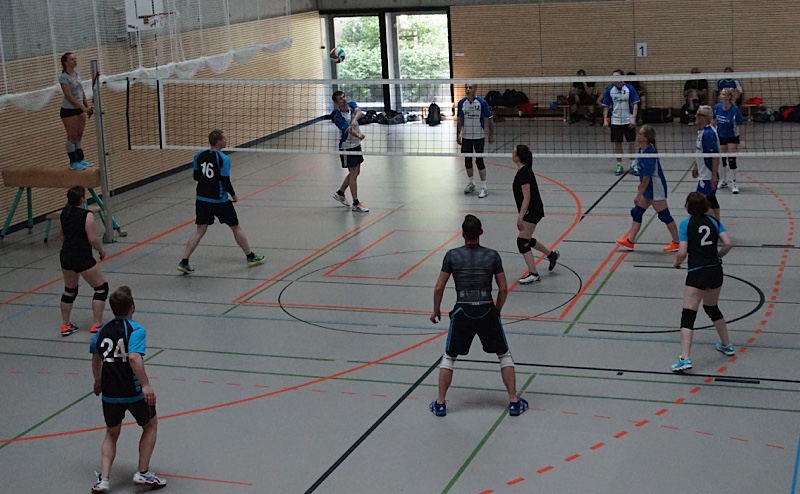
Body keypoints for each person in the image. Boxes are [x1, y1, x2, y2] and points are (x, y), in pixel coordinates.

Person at [429, 215, 528, 417]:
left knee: (449, 357)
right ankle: (513, 401)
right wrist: (497, 310)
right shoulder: (492, 256)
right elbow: (503, 288)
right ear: (481, 233)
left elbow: (439, 287)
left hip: (462, 312)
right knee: (504, 355)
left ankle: (440, 403)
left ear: (462, 234)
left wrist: (436, 309)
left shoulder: (452, 256)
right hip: (487, 310)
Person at [90, 286, 167, 492]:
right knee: (150, 425)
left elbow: (96, 357)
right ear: (132, 306)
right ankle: (142, 472)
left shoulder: (102, 330)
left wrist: (97, 381)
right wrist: (146, 385)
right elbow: (133, 357)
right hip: (132, 390)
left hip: (110, 392)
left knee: (111, 433)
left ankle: (104, 480)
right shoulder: (136, 329)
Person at [176, 130, 265, 274]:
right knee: (235, 227)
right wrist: (234, 195)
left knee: (199, 231)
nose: (226, 141)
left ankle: (184, 261)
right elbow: (225, 180)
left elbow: (196, 176)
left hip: (201, 199)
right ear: (218, 141)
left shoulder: (198, 156)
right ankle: (250, 256)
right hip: (219, 200)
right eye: (224, 139)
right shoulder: (223, 159)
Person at [670, 192, 734, 373]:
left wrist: (676, 263)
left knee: (688, 314)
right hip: (715, 271)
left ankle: (685, 358)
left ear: (688, 207)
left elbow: (682, 252)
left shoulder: (686, 224)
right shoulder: (714, 222)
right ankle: (727, 345)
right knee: (712, 307)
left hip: (697, 272)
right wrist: (718, 256)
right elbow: (728, 244)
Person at [615, 126, 680, 252]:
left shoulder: (650, 153)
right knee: (637, 212)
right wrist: (641, 187)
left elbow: (647, 177)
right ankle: (630, 241)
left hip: (655, 188)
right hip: (648, 188)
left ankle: (677, 242)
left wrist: (639, 194)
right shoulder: (641, 150)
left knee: (664, 216)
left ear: (646, 138)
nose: (637, 135)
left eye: (640, 134)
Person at [59, 185, 107, 337]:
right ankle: (97, 324)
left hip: (66, 255)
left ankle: (66, 325)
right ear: (82, 199)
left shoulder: (64, 213)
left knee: (69, 290)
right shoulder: (87, 215)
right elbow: (92, 238)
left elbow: (62, 237)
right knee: (101, 288)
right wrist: (101, 250)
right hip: (81, 256)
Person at [511, 145, 560, 284]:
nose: (512, 153)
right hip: (533, 210)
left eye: (514, 151)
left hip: (532, 211)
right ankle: (551, 255)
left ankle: (534, 274)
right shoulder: (524, 170)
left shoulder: (524, 174)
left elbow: (527, 197)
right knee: (526, 238)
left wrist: (520, 217)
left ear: (518, 157)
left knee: (522, 241)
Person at [331, 90, 369, 212]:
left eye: (344, 97)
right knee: (353, 172)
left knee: (356, 172)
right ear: (337, 103)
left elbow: (359, 112)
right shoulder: (337, 117)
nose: (344, 100)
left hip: (356, 145)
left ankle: (340, 193)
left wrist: (353, 120)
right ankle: (356, 203)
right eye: (340, 99)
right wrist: (359, 135)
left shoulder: (351, 105)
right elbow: (349, 130)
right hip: (347, 147)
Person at [457, 84, 495, 198]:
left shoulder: (482, 102)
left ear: (475, 89)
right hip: (466, 137)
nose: (468, 90)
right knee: (467, 161)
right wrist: (458, 134)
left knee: (479, 161)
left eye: (470, 88)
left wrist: (491, 134)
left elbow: (490, 118)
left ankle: (484, 187)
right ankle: (471, 183)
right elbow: (459, 119)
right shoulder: (461, 103)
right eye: (466, 88)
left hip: (479, 136)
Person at [59, 52, 94, 170]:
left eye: (75, 59)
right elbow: (69, 96)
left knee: (79, 135)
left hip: (80, 109)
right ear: (65, 62)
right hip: (69, 110)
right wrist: (82, 107)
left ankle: (80, 159)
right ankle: (73, 161)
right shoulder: (64, 77)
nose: (75, 61)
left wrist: (87, 106)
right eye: (72, 59)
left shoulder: (77, 74)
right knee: (72, 136)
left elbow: (81, 91)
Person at [601, 69, 640, 176]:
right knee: (617, 144)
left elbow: (635, 104)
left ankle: (633, 164)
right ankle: (619, 165)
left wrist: (633, 118)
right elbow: (606, 106)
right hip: (616, 121)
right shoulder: (609, 90)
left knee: (631, 143)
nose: (615, 79)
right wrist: (605, 120)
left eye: (617, 76)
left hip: (628, 120)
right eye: (613, 77)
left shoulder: (629, 88)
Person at [691, 106, 722, 219]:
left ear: (706, 118)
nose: (696, 116)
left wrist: (713, 176)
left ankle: (715, 225)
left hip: (707, 175)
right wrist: (696, 166)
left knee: (700, 203)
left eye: (699, 114)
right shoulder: (702, 131)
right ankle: (717, 224)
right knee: (711, 200)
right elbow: (700, 151)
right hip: (704, 173)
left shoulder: (708, 134)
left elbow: (715, 156)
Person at [713, 87, 745, 194]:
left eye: (723, 94)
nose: (721, 96)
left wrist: (742, 140)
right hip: (721, 135)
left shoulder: (735, 110)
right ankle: (722, 181)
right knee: (722, 158)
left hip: (732, 136)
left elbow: (741, 125)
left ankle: (734, 183)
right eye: (721, 94)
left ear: (729, 97)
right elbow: (713, 121)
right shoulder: (717, 107)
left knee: (731, 159)